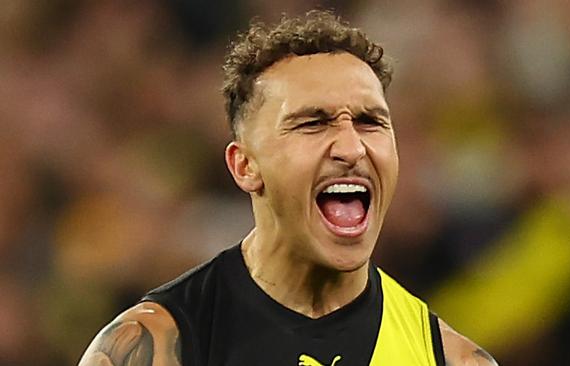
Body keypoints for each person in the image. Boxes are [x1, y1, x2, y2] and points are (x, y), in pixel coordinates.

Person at [78, 10, 498, 366]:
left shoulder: (451, 359)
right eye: (313, 123)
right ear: (245, 166)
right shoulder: (154, 345)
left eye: (371, 122)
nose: (352, 147)